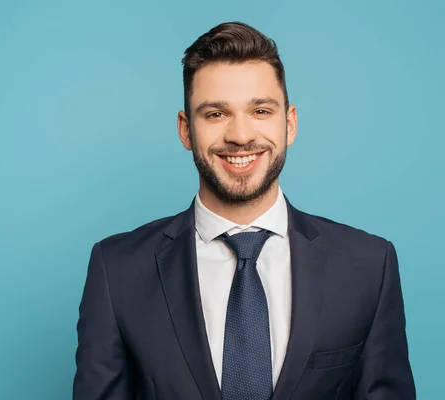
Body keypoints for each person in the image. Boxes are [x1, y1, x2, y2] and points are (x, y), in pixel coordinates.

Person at [72, 21, 415, 400]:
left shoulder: (368, 266)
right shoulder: (116, 269)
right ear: (186, 130)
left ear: (290, 123)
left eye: (261, 111)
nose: (240, 135)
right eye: (216, 114)